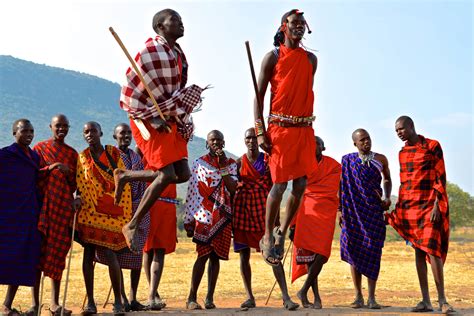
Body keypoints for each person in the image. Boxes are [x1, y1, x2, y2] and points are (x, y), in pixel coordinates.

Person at [115, 8, 206, 253]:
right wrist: (152, 118)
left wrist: (171, 112)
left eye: (181, 19)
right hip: (147, 119)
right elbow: (133, 92)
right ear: (160, 27)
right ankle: (132, 225)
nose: (180, 23)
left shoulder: (177, 54)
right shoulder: (150, 51)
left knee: (183, 173)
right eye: (174, 20)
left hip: (167, 117)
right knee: (165, 174)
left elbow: (171, 92)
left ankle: (125, 176)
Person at [253, 9, 318, 265]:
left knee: (300, 185)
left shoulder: (311, 59)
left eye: (303, 23)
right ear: (284, 26)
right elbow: (258, 97)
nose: (299, 26)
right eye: (295, 23)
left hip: (303, 129)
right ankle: (267, 235)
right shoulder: (273, 57)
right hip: (279, 128)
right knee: (279, 185)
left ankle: (281, 230)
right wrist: (260, 132)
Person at [387, 116, 453, 313]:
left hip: (429, 206)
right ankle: (426, 301)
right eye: (396, 130)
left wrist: (436, 206)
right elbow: (404, 183)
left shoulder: (432, 146)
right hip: (410, 208)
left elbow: (440, 177)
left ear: (411, 127)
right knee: (418, 249)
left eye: (401, 129)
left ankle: (442, 300)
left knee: (433, 250)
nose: (399, 133)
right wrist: (399, 208)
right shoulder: (402, 153)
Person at [233, 128, 298, 310]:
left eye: (254, 137)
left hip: (264, 213)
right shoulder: (239, 163)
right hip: (244, 212)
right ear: (244, 141)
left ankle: (286, 297)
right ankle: (249, 297)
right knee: (243, 256)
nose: (252, 141)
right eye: (248, 138)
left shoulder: (267, 160)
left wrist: (276, 219)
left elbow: (275, 189)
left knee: (273, 255)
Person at [76, 121, 133, 314]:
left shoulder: (114, 153)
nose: (90, 134)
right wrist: (78, 200)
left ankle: (118, 301)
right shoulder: (82, 157)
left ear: (101, 132)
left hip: (110, 212)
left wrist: (117, 206)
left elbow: (123, 179)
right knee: (88, 253)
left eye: (93, 130)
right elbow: (81, 184)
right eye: (86, 132)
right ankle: (91, 303)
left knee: (110, 254)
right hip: (90, 213)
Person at [94, 123, 148, 311]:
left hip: (137, 208)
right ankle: (122, 297)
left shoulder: (135, 156)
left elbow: (142, 184)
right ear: (114, 136)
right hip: (116, 210)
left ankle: (133, 297)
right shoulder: (111, 157)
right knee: (114, 252)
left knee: (137, 252)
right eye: (121, 133)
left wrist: (140, 208)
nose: (125, 136)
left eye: (128, 133)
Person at [31, 114, 80, 316]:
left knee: (57, 255)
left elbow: (78, 184)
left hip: (62, 212)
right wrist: (53, 167)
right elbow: (33, 174)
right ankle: (35, 304)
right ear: (50, 127)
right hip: (41, 210)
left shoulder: (72, 154)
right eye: (57, 126)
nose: (61, 129)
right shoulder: (39, 149)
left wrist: (77, 198)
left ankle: (54, 303)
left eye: (65, 126)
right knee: (37, 256)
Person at [183, 130, 237, 310]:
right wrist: (189, 218)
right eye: (212, 140)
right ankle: (191, 297)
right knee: (202, 255)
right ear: (207, 144)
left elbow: (232, 188)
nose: (216, 143)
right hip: (203, 216)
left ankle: (209, 298)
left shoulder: (230, 164)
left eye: (219, 140)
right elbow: (192, 192)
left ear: (224, 142)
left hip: (222, 216)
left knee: (215, 257)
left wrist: (222, 168)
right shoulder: (199, 163)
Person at [339, 129, 392, 309]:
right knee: (354, 250)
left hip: (373, 212)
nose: (366, 142)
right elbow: (342, 187)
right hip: (353, 214)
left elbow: (387, 179)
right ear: (355, 143)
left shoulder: (381, 159)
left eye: (368, 138)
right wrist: (340, 210)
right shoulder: (347, 161)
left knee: (373, 252)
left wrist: (387, 197)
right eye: (362, 140)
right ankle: (358, 296)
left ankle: (371, 297)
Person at [291, 136, 341, 309]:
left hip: (326, 214)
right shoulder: (302, 166)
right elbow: (296, 194)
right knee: (309, 257)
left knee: (322, 253)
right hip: (307, 213)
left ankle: (304, 290)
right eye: (310, 144)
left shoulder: (334, 166)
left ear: (323, 147)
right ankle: (314, 297)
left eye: (317, 144)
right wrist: (292, 223)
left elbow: (337, 189)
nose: (313, 147)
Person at [0, 119, 42, 316]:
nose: (29, 134)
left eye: (31, 131)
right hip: (6, 217)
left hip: (26, 217)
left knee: (20, 259)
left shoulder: (34, 157)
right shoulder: (5, 155)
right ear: (14, 133)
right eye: (24, 130)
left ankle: (7, 304)